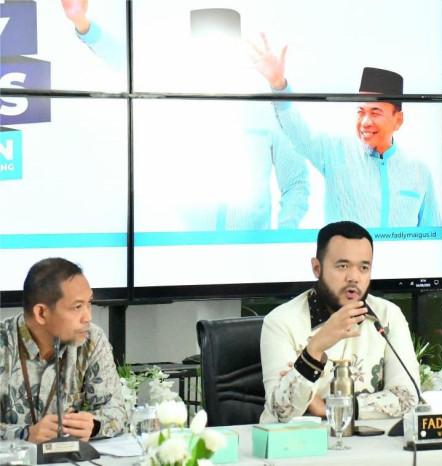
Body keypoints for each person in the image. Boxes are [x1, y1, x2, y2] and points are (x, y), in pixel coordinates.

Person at [61, 1, 310, 231]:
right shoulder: (178, 99)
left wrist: (278, 241)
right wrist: (83, 23)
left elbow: (295, 184)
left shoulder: (266, 108)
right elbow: (125, 63)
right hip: (185, 251)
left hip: (252, 253)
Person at [250, 36, 441, 227]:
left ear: (398, 120)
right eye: (361, 111)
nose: (365, 122)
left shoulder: (419, 172)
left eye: (375, 112)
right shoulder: (336, 152)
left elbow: (432, 234)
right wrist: (279, 86)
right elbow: (298, 133)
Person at [260, 221, 420, 422]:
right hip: (299, 441)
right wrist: (316, 347)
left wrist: (331, 407)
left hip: (372, 440)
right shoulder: (280, 321)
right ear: (317, 268)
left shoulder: (388, 316)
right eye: (342, 266)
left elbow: (408, 398)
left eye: (364, 267)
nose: (353, 277)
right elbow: (280, 412)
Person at [0, 258, 127, 443]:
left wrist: (94, 426)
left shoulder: (92, 339)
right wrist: (25, 434)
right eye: (77, 307)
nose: (88, 317)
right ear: (41, 313)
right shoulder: (4, 344)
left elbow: (117, 410)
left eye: (89, 303)